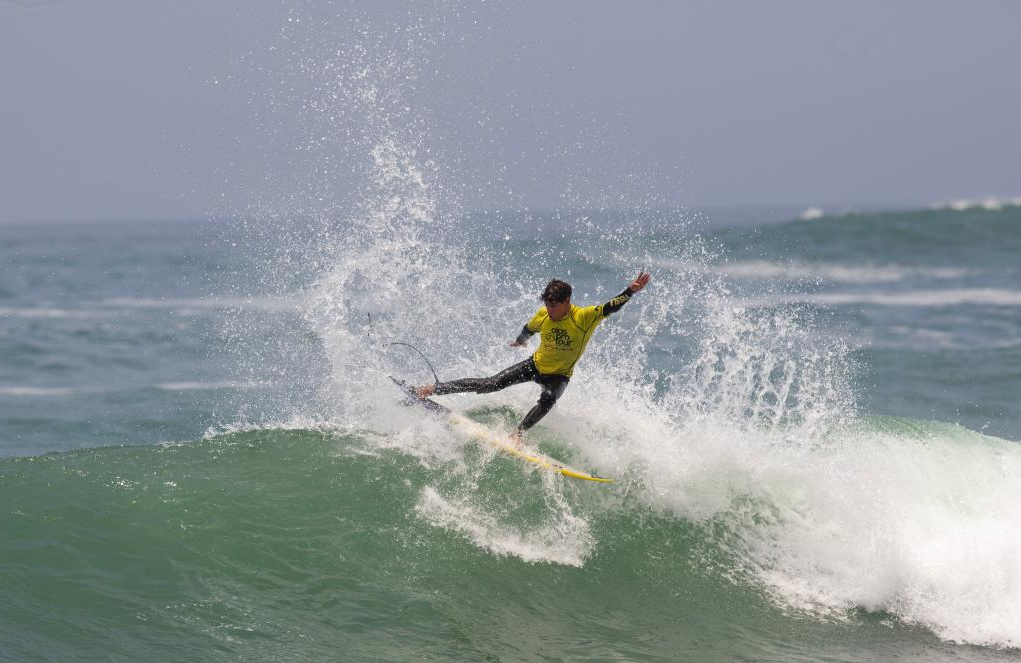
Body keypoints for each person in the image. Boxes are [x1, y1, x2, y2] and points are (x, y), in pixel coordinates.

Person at [416, 272, 651, 444]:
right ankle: (433, 389)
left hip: (559, 375)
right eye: (547, 306)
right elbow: (529, 328)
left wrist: (630, 291)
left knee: (548, 398)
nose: (550, 311)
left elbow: (609, 307)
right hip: (535, 365)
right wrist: (521, 340)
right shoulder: (543, 314)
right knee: (490, 384)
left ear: (567, 301)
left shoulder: (584, 317)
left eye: (555, 306)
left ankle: (518, 433)